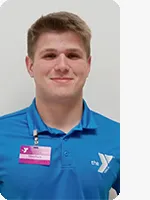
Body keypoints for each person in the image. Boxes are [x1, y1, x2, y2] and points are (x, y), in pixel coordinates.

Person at [0, 11, 120, 200]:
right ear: (30, 65)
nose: (62, 65)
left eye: (73, 55)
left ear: (88, 65)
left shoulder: (118, 137)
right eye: (50, 55)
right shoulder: (2, 133)